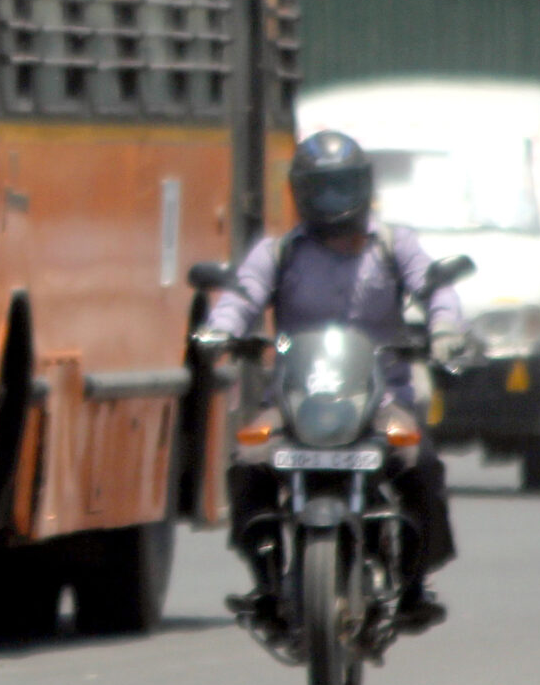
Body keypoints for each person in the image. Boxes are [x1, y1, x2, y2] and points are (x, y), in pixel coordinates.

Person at [195, 130, 468, 629]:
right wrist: (221, 330)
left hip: (381, 399)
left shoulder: (394, 245)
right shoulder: (279, 253)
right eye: (322, 189)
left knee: (420, 463)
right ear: (301, 194)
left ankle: (411, 583)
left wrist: (447, 330)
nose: (334, 201)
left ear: (364, 188)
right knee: (247, 459)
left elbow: (435, 288)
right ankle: (268, 580)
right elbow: (243, 293)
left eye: (344, 187)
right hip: (296, 398)